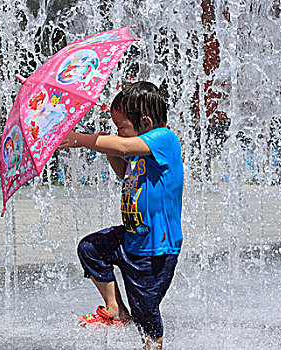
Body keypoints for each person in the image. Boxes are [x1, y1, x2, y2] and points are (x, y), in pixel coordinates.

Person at [60, 81, 183, 350]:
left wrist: (81, 139)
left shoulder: (165, 139)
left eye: (121, 128)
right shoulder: (138, 150)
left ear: (146, 121)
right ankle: (115, 309)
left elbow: (124, 148)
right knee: (91, 249)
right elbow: (122, 169)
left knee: (146, 314)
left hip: (155, 250)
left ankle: (153, 346)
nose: (118, 134)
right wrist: (105, 146)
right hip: (130, 237)